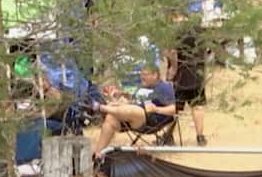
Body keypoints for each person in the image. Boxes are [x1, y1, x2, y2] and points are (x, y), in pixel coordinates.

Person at [90, 64, 179, 157]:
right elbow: (132, 102)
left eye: (145, 74)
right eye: (141, 74)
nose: (142, 77)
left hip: (150, 120)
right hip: (132, 116)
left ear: (155, 75)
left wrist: (156, 109)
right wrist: (115, 100)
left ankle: (102, 108)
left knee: (134, 110)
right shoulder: (142, 86)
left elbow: (173, 109)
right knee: (110, 118)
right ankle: (98, 154)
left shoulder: (164, 87)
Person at [164, 13, 209, 146]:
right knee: (197, 105)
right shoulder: (199, 29)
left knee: (174, 106)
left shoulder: (174, 30)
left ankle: (168, 136)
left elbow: (172, 52)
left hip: (182, 72)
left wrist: (173, 70)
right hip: (198, 71)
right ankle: (200, 136)